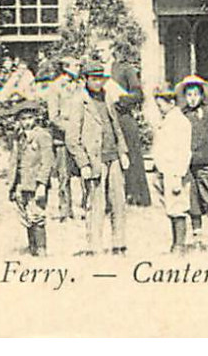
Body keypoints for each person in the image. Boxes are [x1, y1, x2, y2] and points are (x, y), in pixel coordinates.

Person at [69, 58, 128, 256]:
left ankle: (119, 243)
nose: (98, 83)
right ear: (85, 79)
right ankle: (94, 245)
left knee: (118, 201)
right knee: (96, 203)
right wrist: (83, 163)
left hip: (114, 157)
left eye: (101, 79)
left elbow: (116, 127)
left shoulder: (107, 97)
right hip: (95, 160)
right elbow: (72, 138)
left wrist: (123, 151)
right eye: (94, 79)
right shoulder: (79, 101)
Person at [176, 74, 208, 249]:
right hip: (188, 166)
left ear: (202, 95)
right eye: (189, 95)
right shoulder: (182, 115)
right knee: (193, 203)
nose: (192, 99)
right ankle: (198, 239)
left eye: (195, 94)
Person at [97, 40, 151, 207]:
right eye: (97, 51)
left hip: (123, 117)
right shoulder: (95, 71)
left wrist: (120, 100)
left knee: (131, 155)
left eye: (102, 50)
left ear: (112, 50)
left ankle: (135, 196)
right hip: (104, 120)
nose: (99, 53)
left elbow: (138, 94)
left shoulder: (124, 68)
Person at [7, 98, 55, 256]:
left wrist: (42, 184)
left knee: (37, 215)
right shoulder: (18, 137)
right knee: (26, 216)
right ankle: (32, 247)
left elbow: (47, 162)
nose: (27, 122)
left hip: (36, 183)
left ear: (36, 118)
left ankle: (41, 249)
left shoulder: (43, 136)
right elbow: (14, 161)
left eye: (30, 118)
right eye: (23, 119)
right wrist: (12, 185)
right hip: (21, 183)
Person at [149, 85, 192, 252]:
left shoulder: (180, 122)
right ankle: (174, 243)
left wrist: (178, 175)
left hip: (175, 171)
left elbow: (183, 150)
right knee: (170, 208)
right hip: (165, 169)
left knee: (177, 207)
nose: (160, 109)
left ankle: (180, 245)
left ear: (171, 102)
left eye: (161, 105)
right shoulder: (166, 120)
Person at [44, 55, 83, 221]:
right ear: (66, 68)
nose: (79, 68)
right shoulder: (55, 87)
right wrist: (70, 130)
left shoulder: (81, 85)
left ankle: (86, 208)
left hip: (81, 136)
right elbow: (53, 117)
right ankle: (65, 211)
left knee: (84, 172)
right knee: (64, 175)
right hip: (63, 137)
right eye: (76, 66)